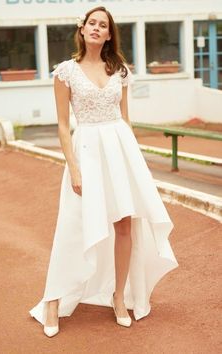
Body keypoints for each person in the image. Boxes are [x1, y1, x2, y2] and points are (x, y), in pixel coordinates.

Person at [29, 6, 178, 337]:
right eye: (92, 23)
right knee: (73, 224)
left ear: (110, 34)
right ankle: (53, 300)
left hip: (120, 149)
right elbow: (63, 126)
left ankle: (119, 296)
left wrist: (134, 163)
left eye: (103, 25)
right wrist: (74, 168)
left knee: (125, 224)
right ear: (82, 30)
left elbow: (126, 120)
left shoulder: (120, 71)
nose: (96, 28)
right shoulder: (65, 72)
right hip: (85, 151)